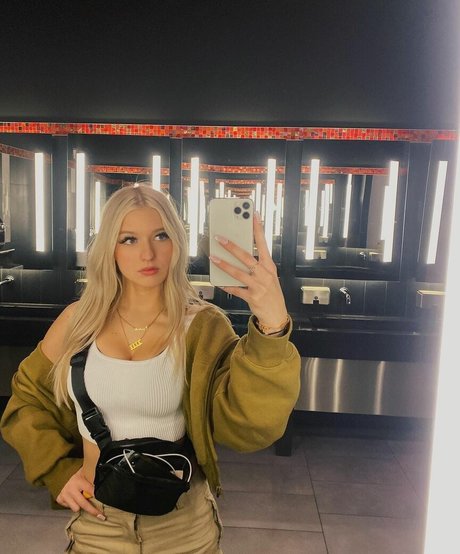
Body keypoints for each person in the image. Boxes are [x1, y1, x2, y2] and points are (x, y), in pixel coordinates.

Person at [0, 184, 300, 553]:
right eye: (128, 239)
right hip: (98, 520)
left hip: (183, 525)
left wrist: (272, 327)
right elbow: (27, 401)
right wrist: (57, 470)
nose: (147, 253)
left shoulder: (203, 326)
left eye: (161, 235)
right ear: (109, 248)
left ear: (177, 242)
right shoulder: (78, 322)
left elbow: (248, 428)